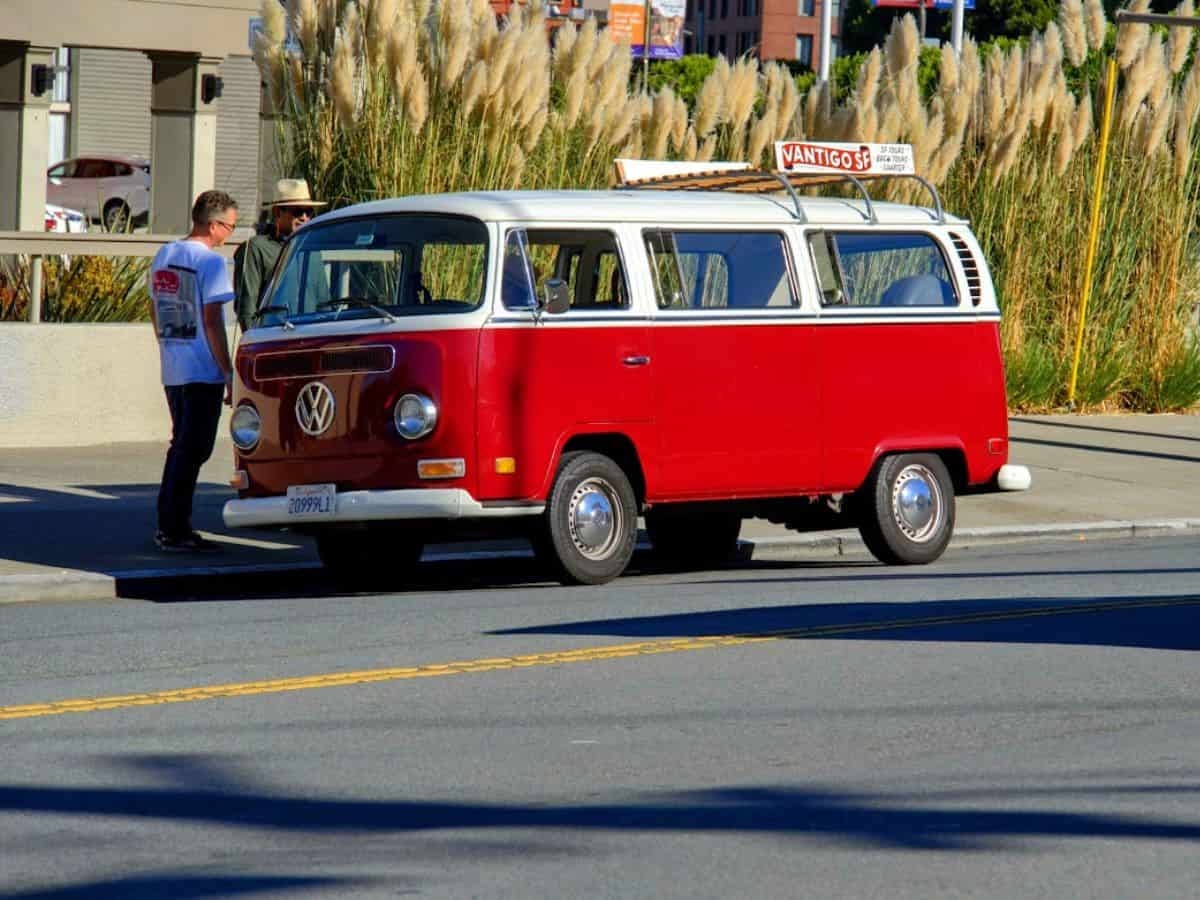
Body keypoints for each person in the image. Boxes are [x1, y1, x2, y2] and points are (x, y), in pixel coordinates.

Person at [149, 190, 239, 552]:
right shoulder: (212, 263)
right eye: (230, 227)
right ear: (214, 224)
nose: (230, 233)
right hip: (202, 370)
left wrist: (166, 347)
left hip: (174, 366)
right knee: (193, 449)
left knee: (181, 447)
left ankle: (170, 524)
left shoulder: (165, 253)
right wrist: (229, 372)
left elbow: (154, 308)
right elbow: (212, 321)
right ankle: (174, 529)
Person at [233, 178, 327, 331]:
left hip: (309, 339)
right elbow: (246, 308)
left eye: (309, 212)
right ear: (277, 212)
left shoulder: (312, 251)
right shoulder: (256, 248)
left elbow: (323, 304)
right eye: (297, 211)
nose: (304, 217)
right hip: (273, 338)